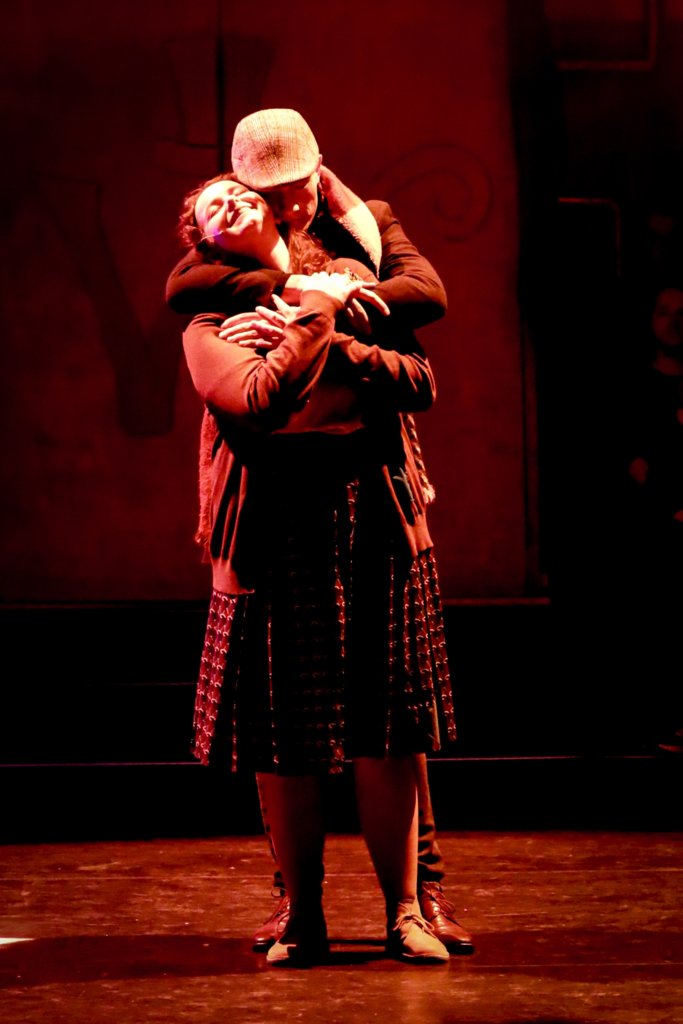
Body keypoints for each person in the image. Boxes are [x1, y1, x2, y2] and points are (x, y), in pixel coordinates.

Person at [167, 109, 474, 955]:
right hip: (275, 519)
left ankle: (414, 902)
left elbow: (421, 340)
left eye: (290, 188)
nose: (276, 202)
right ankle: (299, 907)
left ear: (314, 179)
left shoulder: (354, 240)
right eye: (233, 196)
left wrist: (327, 318)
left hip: (369, 501)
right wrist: (303, 309)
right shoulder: (208, 303)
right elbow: (256, 398)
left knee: (390, 719)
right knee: (283, 728)